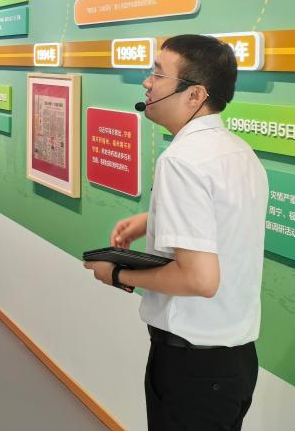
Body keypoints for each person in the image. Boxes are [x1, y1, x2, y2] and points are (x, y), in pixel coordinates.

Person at [83, 35, 268, 431]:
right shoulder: (239, 151)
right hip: (234, 362)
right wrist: (152, 219)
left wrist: (117, 274)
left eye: (157, 74)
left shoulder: (182, 160)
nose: (147, 83)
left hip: (191, 369)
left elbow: (200, 279)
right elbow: (222, 220)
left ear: (195, 94)